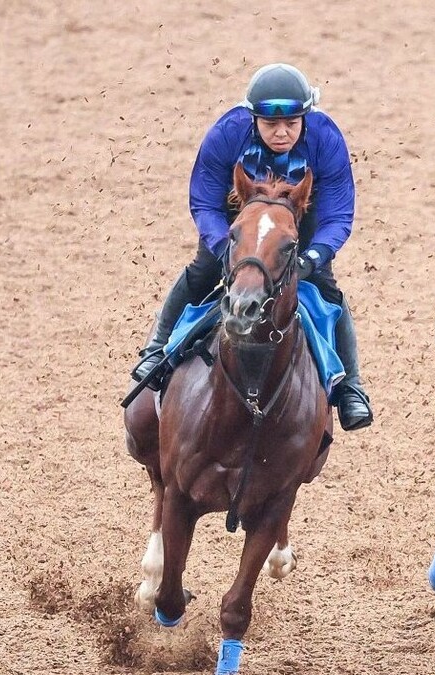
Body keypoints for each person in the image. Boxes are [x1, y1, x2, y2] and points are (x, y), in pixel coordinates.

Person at [131, 63, 373, 431]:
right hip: (238, 216)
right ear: (253, 118)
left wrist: (312, 258)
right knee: (202, 273)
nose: (282, 133)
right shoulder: (227, 134)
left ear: (306, 117)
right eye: (271, 124)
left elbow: (338, 216)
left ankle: (351, 387)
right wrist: (225, 249)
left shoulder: (326, 138)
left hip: (297, 219)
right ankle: (156, 350)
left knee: (327, 290)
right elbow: (205, 204)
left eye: (292, 123)